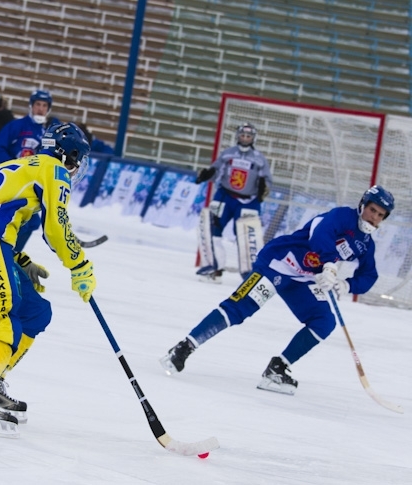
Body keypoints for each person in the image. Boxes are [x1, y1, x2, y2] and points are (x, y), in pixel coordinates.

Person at [160, 186, 395, 396]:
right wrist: (330, 264)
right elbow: (320, 234)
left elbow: (369, 275)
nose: (374, 217)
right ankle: (184, 347)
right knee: (239, 309)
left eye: (380, 215)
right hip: (278, 263)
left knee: (324, 321)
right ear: (363, 205)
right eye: (372, 210)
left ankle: (278, 368)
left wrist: (346, 284)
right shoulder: (342, 216)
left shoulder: (366, 244)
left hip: (303, 279)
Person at [0, 122, 95, 437]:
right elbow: (55, 227)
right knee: (4, 316)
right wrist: (79, 264)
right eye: (77, 159)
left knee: (35, 310)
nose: (76, 166)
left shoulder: (17, 163)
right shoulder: (54, 169)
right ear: (68, 154)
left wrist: (19, 260)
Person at [194, 122, 273, 282]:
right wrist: (207, 174)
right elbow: (216, 171)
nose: (245, 138)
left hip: (248, 201)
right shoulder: (228, 153)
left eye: (248, 136)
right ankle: (214, 268)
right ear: (238, 136)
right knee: (212, 229)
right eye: (242, 135)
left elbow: (267, 179)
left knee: (248, 237)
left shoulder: (259, 159)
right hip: (225, 197)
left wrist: (264, 187)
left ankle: (250, 274)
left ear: (253, 138)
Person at [0, 89, 59, 251]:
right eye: (37, 104)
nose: (40, 108)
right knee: (4, 217)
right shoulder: (16, 126)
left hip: (29, 185)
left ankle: (12, 253)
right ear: (31, 106)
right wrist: (13, 168)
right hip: (11, 181)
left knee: (31, 222)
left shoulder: (51, 132)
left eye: (44, 105)